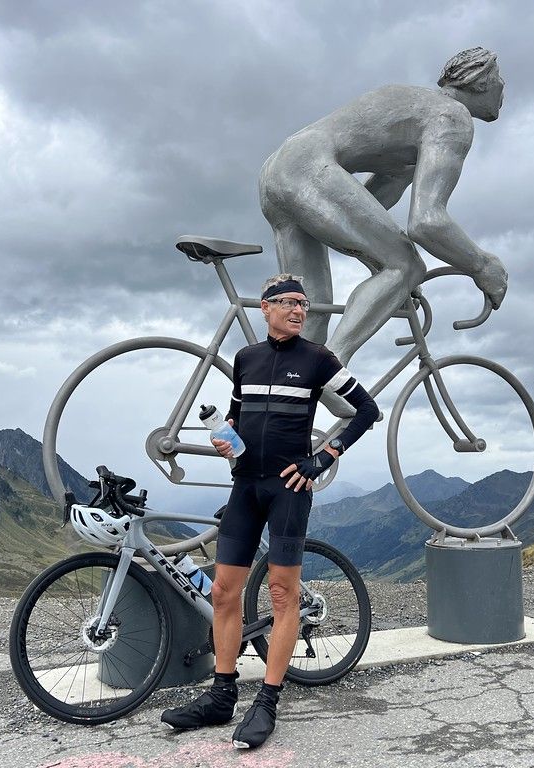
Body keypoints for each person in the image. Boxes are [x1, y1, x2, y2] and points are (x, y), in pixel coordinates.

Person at [161, 273, 379, 750]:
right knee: (223, 593)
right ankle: (221, 696)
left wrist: (324, 456)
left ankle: (267, 701)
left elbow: (366, 410)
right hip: (245, 485)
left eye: (304, 303)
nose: (299, 310)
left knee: (282, 596)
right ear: (265, 309)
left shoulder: (318, 359)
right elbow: (238, 414)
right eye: (288, 302)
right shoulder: (246, 359)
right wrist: (227, 436)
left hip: (288, 489)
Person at [259, 47, 508, 384]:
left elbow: (368, 213)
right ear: (480, 83)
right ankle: (332, 367)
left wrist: (386, 278)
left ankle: (282, 408)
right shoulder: (451, 118)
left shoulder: (415, 110)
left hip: (279, 169)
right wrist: (483, 265)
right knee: (407, 265)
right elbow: (426, 222)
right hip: (307, 170)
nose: (504, 86)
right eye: (499, 79)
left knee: (312, 309)